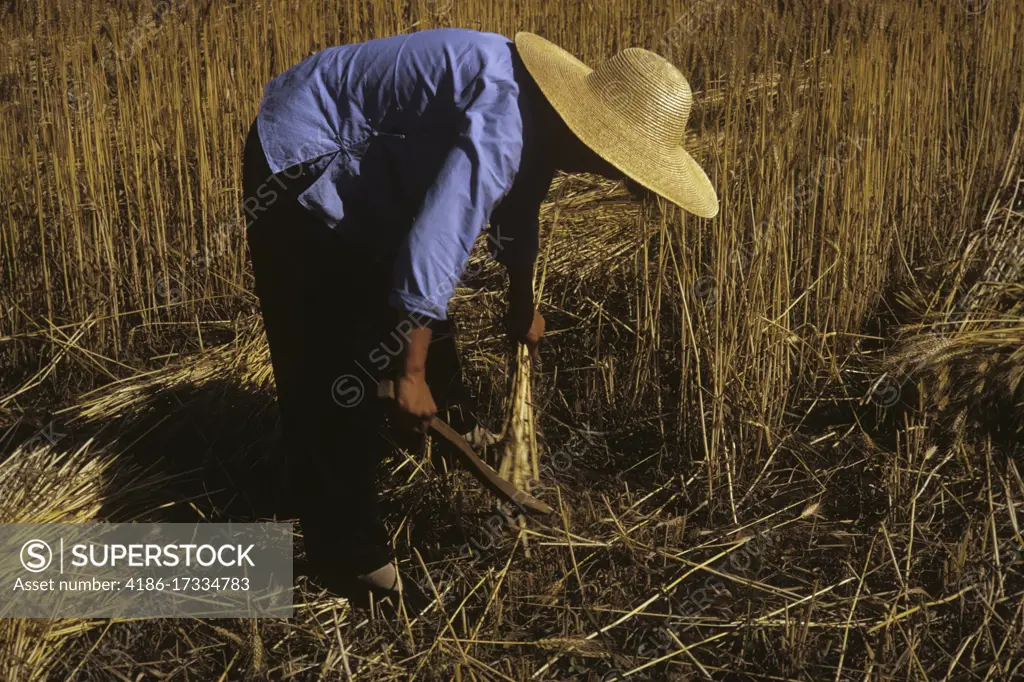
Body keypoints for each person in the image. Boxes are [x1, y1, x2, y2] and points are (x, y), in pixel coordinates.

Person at [242, 28, 718, 600]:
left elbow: (518, 210)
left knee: (412, 325)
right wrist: (410, 375)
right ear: (593, 138)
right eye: (616, 164)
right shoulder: (505, 123)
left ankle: (439, 433)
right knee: (334, 365)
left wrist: (523, 303)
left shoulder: (542, 114)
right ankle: (348, 556)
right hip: (304, 149)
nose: (610, 175)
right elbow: (436, 244)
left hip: (378, 163)